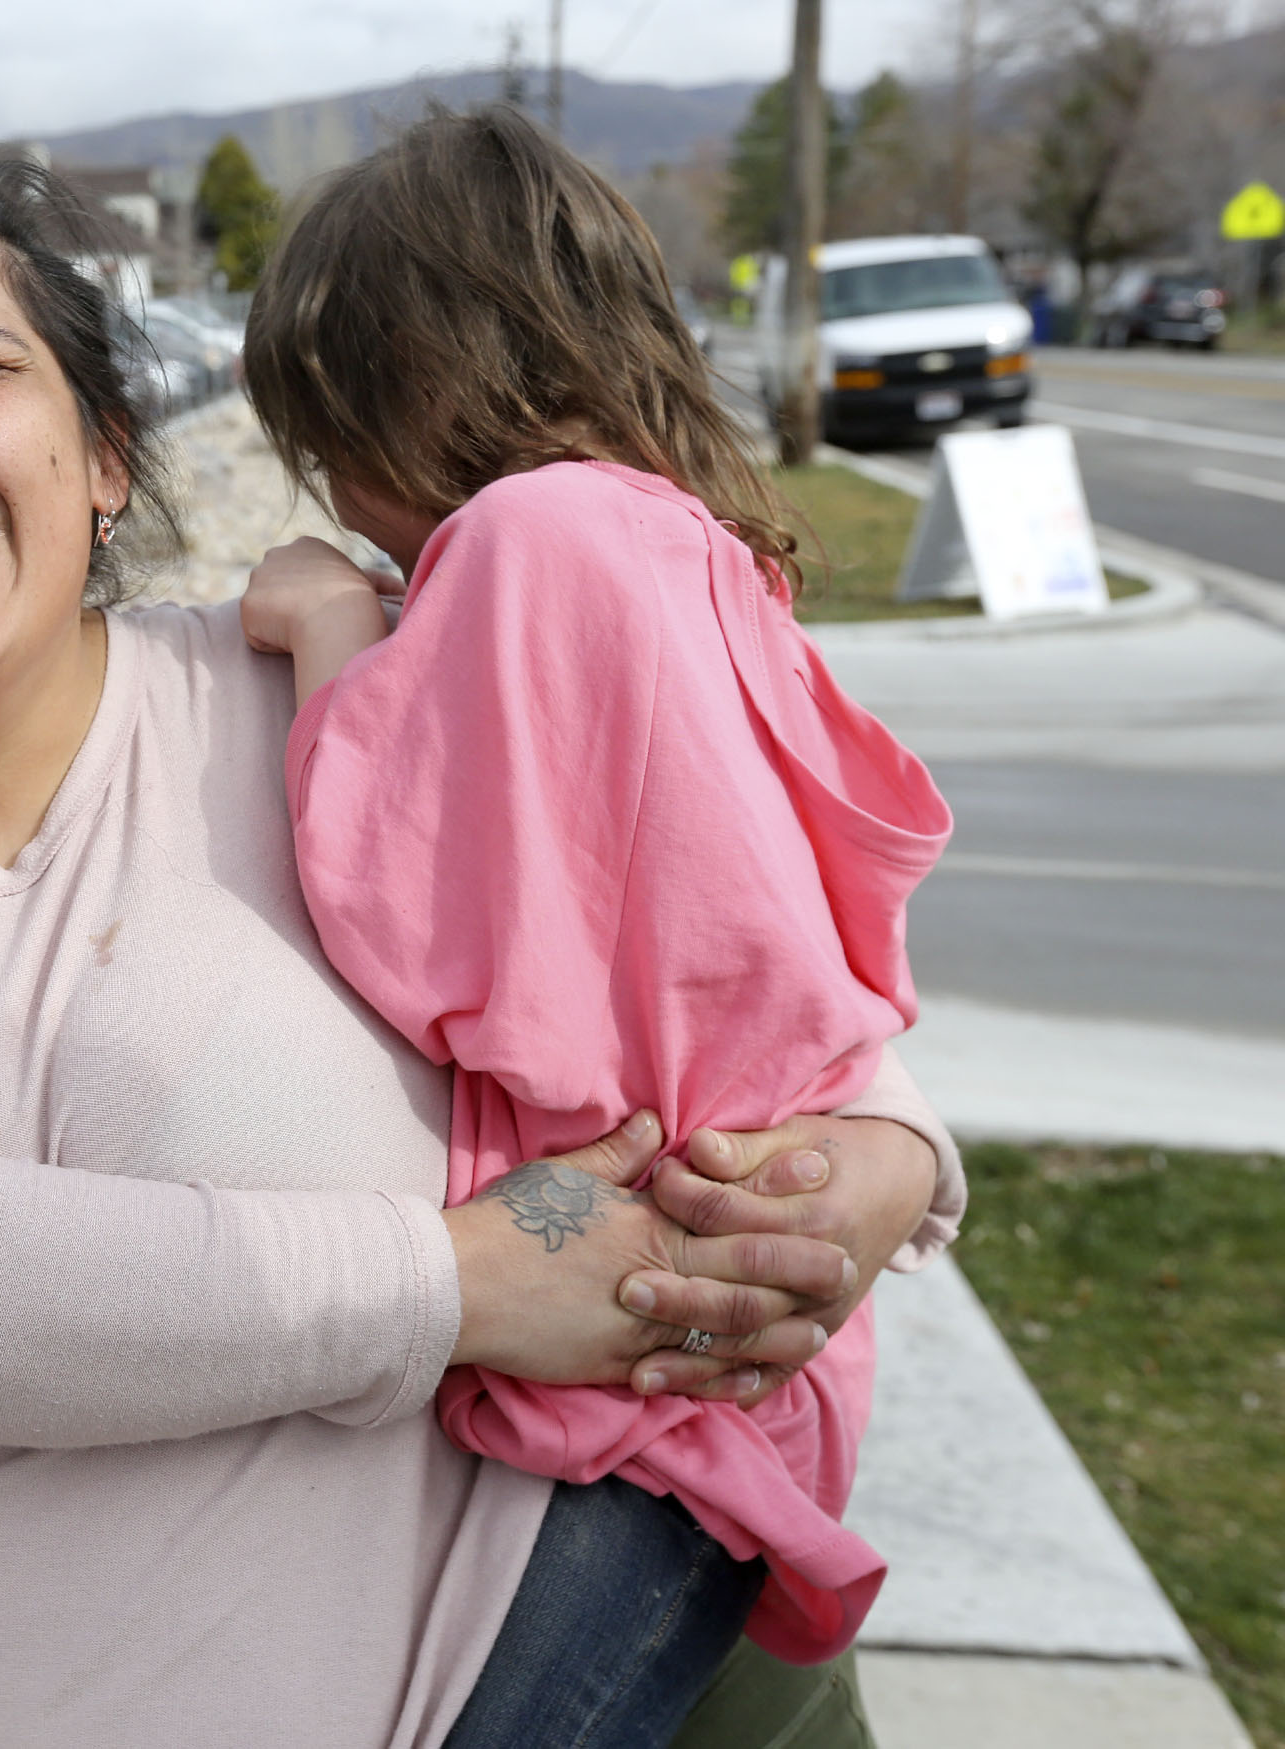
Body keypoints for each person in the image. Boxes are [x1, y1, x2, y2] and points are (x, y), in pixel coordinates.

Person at [0, 157, 962, 1749]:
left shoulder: (328, 672)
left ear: (107, 460)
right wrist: (455, 1283)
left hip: (634, 1659)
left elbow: (707, 927)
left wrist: (885, 1145)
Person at [235, 100, 955, 1716]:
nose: (345, 493)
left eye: (340, 430)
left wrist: (338, 636)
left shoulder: (529, 535)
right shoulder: (689, 550)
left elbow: (410, 922)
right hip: (745, 1323)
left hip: (651, 1365)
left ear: (424, 377)